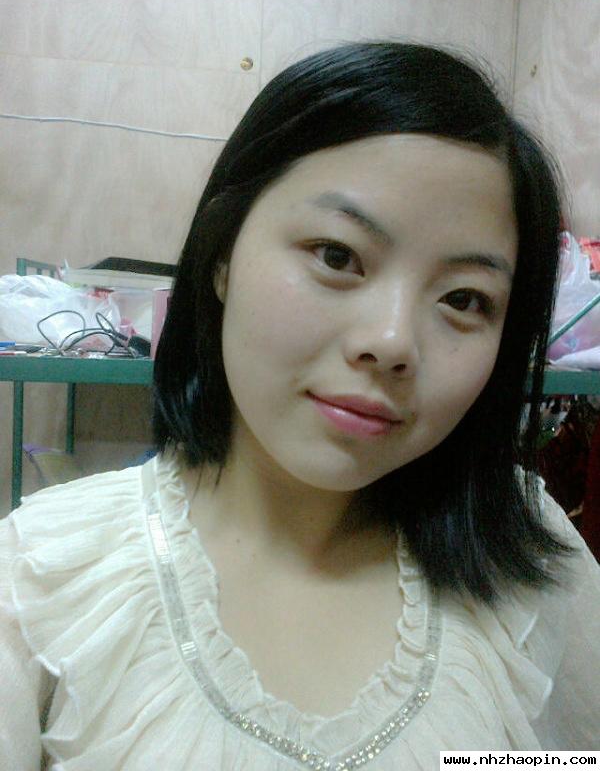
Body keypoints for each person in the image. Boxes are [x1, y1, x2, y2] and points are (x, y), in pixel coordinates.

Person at [1, 41, 599, 771]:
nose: (391, 341)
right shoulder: (41, 578)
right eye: (337, 256)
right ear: (223, 254)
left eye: (465, 299)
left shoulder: (529, 558)